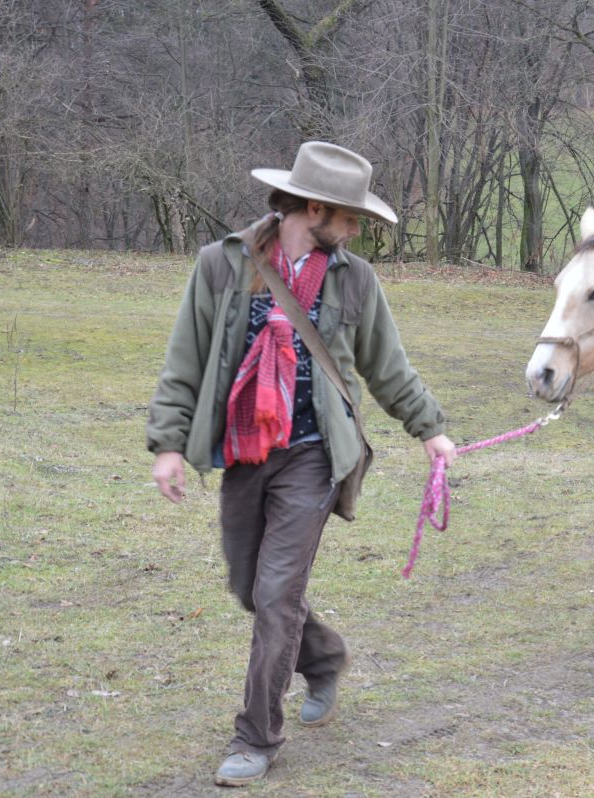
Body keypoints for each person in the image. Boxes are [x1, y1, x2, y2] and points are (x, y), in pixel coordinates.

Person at [146, 141, 455, 787]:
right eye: (348, 218)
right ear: (311, 207)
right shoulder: (221, 266)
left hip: (315, 458)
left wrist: (430, 429)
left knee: (276, 595)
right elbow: (186, 361)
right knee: (248, 590)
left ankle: (255, 738)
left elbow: (386, 366)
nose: (355, 230)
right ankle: (324, 656)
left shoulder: (353, 279)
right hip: (244, 452)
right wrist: (169, 444)